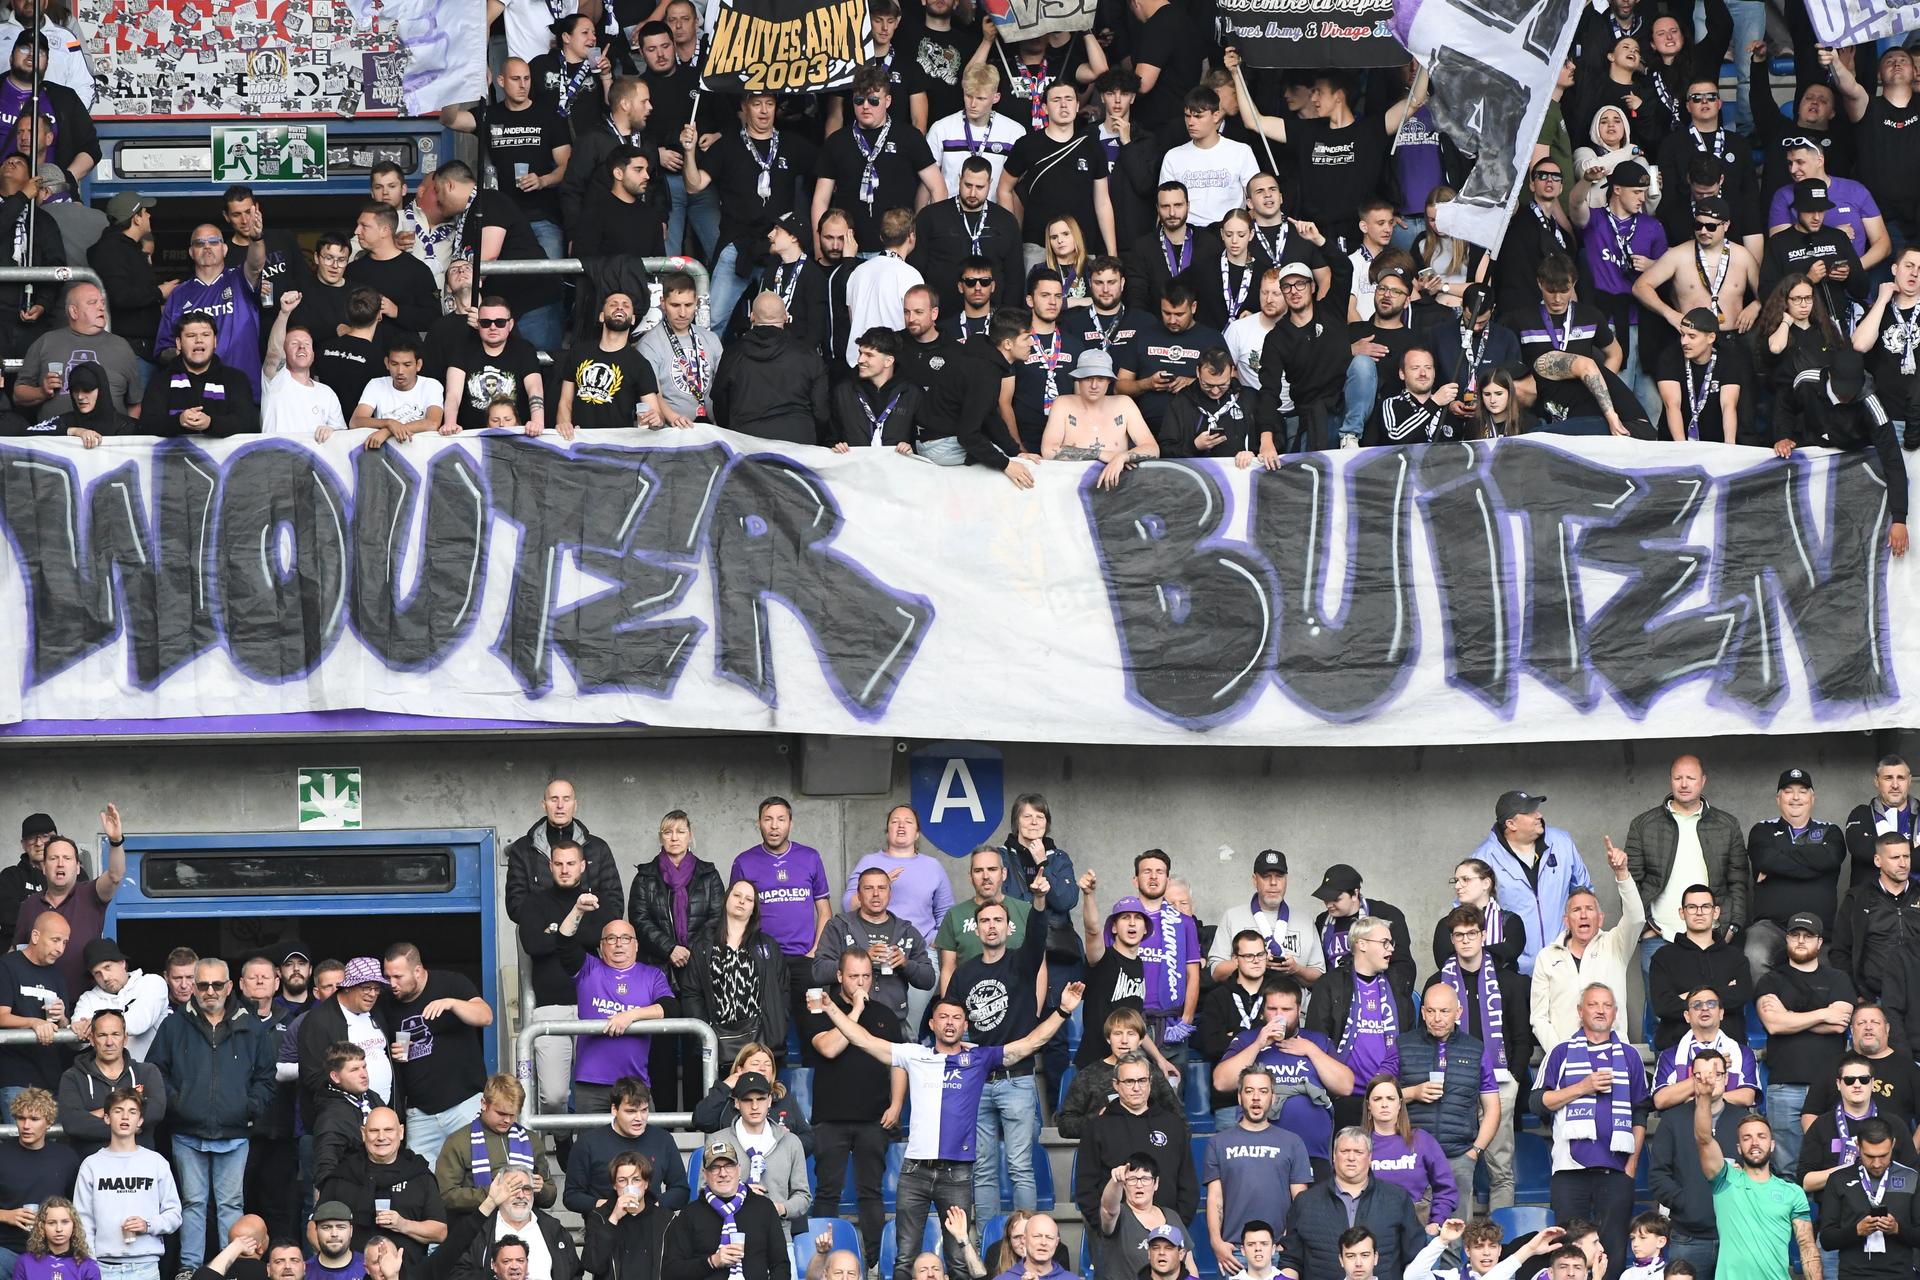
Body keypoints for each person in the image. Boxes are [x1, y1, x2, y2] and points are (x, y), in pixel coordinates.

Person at [820, 979, 1081, 1280]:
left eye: (957, 1017)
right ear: (931, 1023)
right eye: (943, 1016)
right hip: (914, 1171)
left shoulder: (979, 1059)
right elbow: (865, 1040)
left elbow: (1029, 1044)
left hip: (956, 1175)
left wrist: (1062, 1010)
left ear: (965, 1024)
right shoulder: (915, 1054)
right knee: (905, 1257)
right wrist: (832, 1011)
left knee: (958, 1259)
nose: (950, 1022)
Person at [146, 957, 274, 1277]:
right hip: (187, 1130)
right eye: (203, 985)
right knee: (193, 1203)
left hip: (234, 1131)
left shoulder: (251, 1025)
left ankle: (230, 1268)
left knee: (231, 1204)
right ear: (193, 987)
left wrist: (250, 1106)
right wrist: (178, 1103)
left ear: (230, 986)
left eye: (217, 984)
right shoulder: (174, 1024)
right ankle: (190, 1269)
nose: (210, 991)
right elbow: (156, 1071)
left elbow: (266, 1077)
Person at [1536, 984, 1650, 1270]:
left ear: (1615, 1013)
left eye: (1607, 1005)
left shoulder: (1630, 1056)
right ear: (1579, 1011)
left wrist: (1632, 1164)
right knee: (1568, 1250)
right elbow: (1537, 1102)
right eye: (1593, 1004)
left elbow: (1640, 1111)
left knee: (1612, 1249)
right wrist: (1582, 1087)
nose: (1600, 1010)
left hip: (1616, 1169)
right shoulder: (1560, 1053)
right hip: (1569, 1169)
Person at [801, 951, 903, 1270]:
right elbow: (829, 1048)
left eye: (866, 976)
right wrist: (856, 1010)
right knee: (827, 1192)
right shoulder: (821, 1008)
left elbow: (899, 1063)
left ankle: (873, 1264)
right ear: (839, 977)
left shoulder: (885, 1014)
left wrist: (897, 1104)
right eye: (854, 976)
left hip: (873, 1118)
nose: (860, 983)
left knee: (870, 1193)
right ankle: (821, 1263)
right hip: (830, 1119)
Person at [627, 813, 723, 1114]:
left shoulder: (709, 874)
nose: (674, 837)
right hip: (659, 971)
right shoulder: (645, 876)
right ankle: (665, 1120)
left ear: (690, 835)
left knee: (697, 1046)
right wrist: (670, 948)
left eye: (680, 831)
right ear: (660, 837)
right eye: (667, 832)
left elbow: (717, 918)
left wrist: (689, 951)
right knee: (662, 1052)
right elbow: (639, 920)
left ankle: (697, 1117)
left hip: (699, 972)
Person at [1692, 1071, 1820, 1280]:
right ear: (1739, 1148)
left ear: (1772, 1145)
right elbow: (1703, 1139)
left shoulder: (1792, 1192)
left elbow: (1807, 1246)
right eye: (1747, 1138)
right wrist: (1705, 1098)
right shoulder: (1725, 1180)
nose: (1754, 1143)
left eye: (1761, 1136)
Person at [1756, 912, 1856, 1180]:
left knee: (1835, 1168)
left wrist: (1790, 1016)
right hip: (1785, 1088)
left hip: (1830, 1091)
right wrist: (1823, 1013)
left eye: (1808, 936)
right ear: (1787, 938)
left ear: (1820, 942)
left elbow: (1840, 1024)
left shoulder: (1838, 978)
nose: (1801, 941)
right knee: (1787, 1172)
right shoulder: (1771, 980)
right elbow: (1774, 1024)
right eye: (1795, 935)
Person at [730, 798, 830, 1048]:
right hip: (763, 960)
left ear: (790, 823)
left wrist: (815, 951)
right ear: (759, 823)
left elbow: (824, 910)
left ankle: (810, 1087)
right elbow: (735, 914)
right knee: (769, 1033)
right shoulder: (744, 861)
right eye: (768, 819)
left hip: (805, 960)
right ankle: (768, 1087)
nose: (774, 826)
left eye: (781, 819)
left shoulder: (810, 857)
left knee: (814, 1030)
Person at [381, 943, 490, 1163]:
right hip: (419, 1113)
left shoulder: (451, 983)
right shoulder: (387, 1002)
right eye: (388, 977)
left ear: (418, 971)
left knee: (476, 1172)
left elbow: (485, 1016)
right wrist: (394, 1052)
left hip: (464, 1104)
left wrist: (451, 1003)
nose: (392, 984)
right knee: (421, 1181)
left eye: (398, 977)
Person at [1397, 980, 1500, 1215]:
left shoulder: (1476, 1049)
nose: (1437, 1018)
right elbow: (1377, 1096)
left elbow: (1492, 1108)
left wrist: (1474, 1152)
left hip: (1458, 1156)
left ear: (1458, 1012)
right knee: (1412, 1239)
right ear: (1422, 1012)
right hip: (1410, 1157)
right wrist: (1412, 1093)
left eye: (1444, 1011)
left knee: (1454, 1238)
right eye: (1431, 1011)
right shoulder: (1402, 1045)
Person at [1530, 840, 1641, 1048]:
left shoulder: (1615, 945)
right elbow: (1539, 1017)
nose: (1583, 915)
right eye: (1576, 910)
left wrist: (1622, 874)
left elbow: (1636, 918)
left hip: (1612, 1052)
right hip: (1566, 1057)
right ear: (1566, 921)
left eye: (1589, 909)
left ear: (1600, 918)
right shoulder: (1547, 957)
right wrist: (1560, 1054)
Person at [1470, 791, 1593, 978]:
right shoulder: (1483, 859)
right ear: (1511, 824)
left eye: (1536, 810)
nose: (1539, 815)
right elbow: (1468, 915)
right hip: (1515, 970)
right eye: (1529, 813)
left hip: (1566, 961)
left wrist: (1581, 944)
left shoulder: (1562, 843)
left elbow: (1584, 892)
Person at [1073, 1051, 1199, 1230]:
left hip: (1167, 1234)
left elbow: (1188, 1184)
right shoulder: (1097, 1127)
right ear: (1116, 1085)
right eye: (1129, 1081)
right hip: (1115, 1235)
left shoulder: (1173, 1125)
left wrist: (1176, 1226)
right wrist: (1106, 1226)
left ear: (1150, 1083)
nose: (1136, 1087)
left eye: (1142, 1081)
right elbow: (1085, 1186)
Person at [1199, 1070, 1311, 1272]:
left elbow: (1301, 1201)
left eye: (1263, 1091)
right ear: (1239, 1096)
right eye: (1249, 1091)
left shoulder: (1293, 1142)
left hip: (1278, 1250)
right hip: (1235, 1252)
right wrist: (1216, 1242)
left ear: (1273, 1097)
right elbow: (1215, 1199)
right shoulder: (1218, 1143)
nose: (1256, 1097)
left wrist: (1290, 1243)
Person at [562, 920, 677, 1115]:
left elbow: (671, 1008)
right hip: (592, 1083)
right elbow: (563, 942)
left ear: (636, 944)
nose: (618, 944)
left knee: (642, 1144)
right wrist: (579, 909)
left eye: (626, 938)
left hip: (635, 1082)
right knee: (593, 1144)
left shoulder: (652, 975)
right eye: (611, 938)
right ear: (601, 946)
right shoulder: (588, 968)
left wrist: (631, 1015)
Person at [1278, 1129, 1426, 1280]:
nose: (1351, 1157)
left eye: (1358, 1152)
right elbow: (1291, 1261)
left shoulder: (1397, 1199)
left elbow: (1415, 1258)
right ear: (1334, 1157)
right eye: (1345, 1151)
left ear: (1370, 1158)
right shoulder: (1306, 1201)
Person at [313, 1107, 448, 1269]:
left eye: (388, 1130)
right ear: (363, 1133)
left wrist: (403, 1224)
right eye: (374, 1131)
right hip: (352, 1274)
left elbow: (440, 1231)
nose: (381, 1137)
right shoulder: (343, 1174)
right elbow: (312, 1228)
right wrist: (338, 1264)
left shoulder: (419, 1174)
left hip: (407, 1273)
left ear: (401, 1132)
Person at [1646, 1050, 1738, 1279]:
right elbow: (1658, 1175)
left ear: (1726, 1078)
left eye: (1716, 1074)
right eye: (1701, 1075)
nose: (1708, 1080)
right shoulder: (1672, 1120)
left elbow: (1762, 1172)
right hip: (1688, 1237)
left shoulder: (1743, 1120)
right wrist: (1686, 1203)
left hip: (1736, 1237)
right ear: (1692, 1079)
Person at [74, 1089, 180, 1280]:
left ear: (140, 1121)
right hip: (103, 1267)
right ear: (106, 1118)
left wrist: (147, 1225)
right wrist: (90, 1264)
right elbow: (82, 1220)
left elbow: (174, 1214)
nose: (125, 1116)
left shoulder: (156, 1162)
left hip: (146, 1267)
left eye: (132, 1112)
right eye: (118, 1111)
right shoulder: (91, 1165)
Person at [681, 881, 787, 1069]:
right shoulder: (704, 945)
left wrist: (776, 1029)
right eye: (737, 895)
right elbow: (691, 993)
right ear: (726, 899)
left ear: (754, 908)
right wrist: (706, 1033)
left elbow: (783, 991)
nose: (741, 902)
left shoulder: (767, 946)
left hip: (760, 1041)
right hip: (716, 1039)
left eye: (748, 899)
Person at [815, 867, 935, 1027]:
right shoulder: (839, 927)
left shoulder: (906, 931)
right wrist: (862, 960)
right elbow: (818, 972)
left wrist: (906, 964)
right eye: (868, 888)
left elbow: (928, 979)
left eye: (882, 888)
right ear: (858, 895)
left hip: (894, 1021)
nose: (876, 894)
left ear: (890, 893)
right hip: (848, 1021)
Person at [152, 226, 264, 394]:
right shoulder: (179, 294)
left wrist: (256, 239)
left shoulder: (240, 279)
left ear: (224, 249)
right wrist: (187, 355)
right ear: (191, 252)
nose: (207, 247)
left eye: (214, 241)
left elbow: (255, 266)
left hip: (243, 388)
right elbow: (163, 350)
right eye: (199, 243)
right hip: (195, 394)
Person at [435, 1073, 559, 1224]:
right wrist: (492, 1194)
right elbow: (445, 1196)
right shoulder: (458, 1141)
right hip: (477, 1228)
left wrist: (541, 1189)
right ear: (483, 1104)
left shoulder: (531, 1139)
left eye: (513, 1115)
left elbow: (551, 1196)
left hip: (524, 1227)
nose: (507, 1120)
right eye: (501, 1113)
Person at [661, 1138, 789, 1280]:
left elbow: (780, 1265)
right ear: (705, 1174)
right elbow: (671, 1271)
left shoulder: (763, 1207)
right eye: (715, 1167)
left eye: (728, 1165)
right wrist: (712, 1261)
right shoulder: (689, 1215)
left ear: (739, 1169)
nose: (723, 1173)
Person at [711, 294, 831, 444]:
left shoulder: (733, 354)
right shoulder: (808, 355)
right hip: (799, 443)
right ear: (786, 316)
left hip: (747, 445)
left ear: (752, 316)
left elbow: (719, 401)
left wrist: (733, 432)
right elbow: (821, 412)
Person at [1647, 886, 1755, 1050]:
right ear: (1682, 913)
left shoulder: (1736, 957)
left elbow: (1741, 996)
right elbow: (1663, 1006)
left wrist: (1687, 997)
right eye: (1692, 907)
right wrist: (1721, 992)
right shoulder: (1663, 957)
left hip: (1728, 1050)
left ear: (1716, 912)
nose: (1699, 912)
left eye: (1705, 907)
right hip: (1676, 1048)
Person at [563, 1078, 689, 1215]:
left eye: (644, 1110)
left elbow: (681, 1190)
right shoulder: (588, 1143)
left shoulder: (663, 1140)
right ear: (614, 1109)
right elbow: (572, 1196)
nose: (639, 1118)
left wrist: (652, 1207)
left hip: (651, 1227)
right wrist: (611, 1206)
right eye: (631, 1111)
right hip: (604, 1227)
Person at [1816, 1115, 1920, 1280]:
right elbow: (1827, 1240)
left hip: (1900, 1274)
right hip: (1854, 1274)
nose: (1877, 1164)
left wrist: (1897, 1229)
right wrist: (1856, 1231)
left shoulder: (1912, 1177)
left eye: (1884, 1155)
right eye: (1870, 1156)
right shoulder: (1838, 1179)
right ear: (1858, 1146)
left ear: (1892, 1144)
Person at [14, 284, 140, 420]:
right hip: (57, 437)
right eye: (92, 303)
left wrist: (127, 435)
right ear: (74, 312)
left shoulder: (121, 346)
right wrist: (42, 392)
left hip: (107, 439)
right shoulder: (46, 342)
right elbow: (19, 394)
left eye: (102, 303)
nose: (101, 307)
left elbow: (135, 403)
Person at [57, 1009, 167, 1161]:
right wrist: (131, 1122)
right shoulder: (73, 1077)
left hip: (139, 1169)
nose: (109, 1042)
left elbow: (155, 1112)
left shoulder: (147, 1072)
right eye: (102, 1035)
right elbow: (74, 1123)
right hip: (92, 1170)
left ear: (125, 1038)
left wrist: (101, 1113)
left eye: (115, 1034)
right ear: (92, 1039)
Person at [1208, 849, 1325, 986]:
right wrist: (1256, 961)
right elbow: (1216, 972)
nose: (1273, 882)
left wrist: (1296, 969)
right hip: (1246, 1004)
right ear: (1254, 880)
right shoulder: (1233, 917)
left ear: (1286, 880)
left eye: (1279, 876)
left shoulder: (1305, 921)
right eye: (1266, 876)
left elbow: (1320, 977)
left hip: (1293, 1005)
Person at [1829, 832, 1920, 1003]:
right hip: (1875, 998)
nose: (1903, 864)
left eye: (1906, 856)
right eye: (1895, 857)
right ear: (1878, 861)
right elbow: (1840, 952)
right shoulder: (1857, 898)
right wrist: (1857, 994)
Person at [0, 1089, 78, 1278]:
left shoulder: (66, 1158)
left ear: (49, 1122)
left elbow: (77, 1208)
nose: (26, 1125)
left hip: (51, 1254)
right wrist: (6, 1215)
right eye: (21, 1118)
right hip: (5, 1250)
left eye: (34, 1119)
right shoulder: (2, 1155)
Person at [141, 313, 260, 437]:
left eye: (205, 335)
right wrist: (179, 421)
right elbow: (146, 425)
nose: (198, 340)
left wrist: (210, 423)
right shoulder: (160, 381)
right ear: (179, 343)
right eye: (191, 336)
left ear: (215, 341)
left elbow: (249, 424)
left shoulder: (236, 379)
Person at [1649, 980, 1760, 1113]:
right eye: (1697, 1005)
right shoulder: (1670, 1055)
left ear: (1721, 1013)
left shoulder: (1743, 1053)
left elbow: (1747, 1097)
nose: (1704, 1008)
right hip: (1684, 1126)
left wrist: (1695, 1101)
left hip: (1730, 1126)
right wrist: (1708, 1074)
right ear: (1687, 1016)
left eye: (1711, 1004)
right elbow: (1660, 1100)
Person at [0, 912, 69, 1104]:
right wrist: (33, 1022)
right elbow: (1, 1016)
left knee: (53, 1135)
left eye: (64, 942)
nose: (60, 949)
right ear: (36, 936)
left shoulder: (57, 975)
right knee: (24, 1134)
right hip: (16, 1076)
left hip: (52, 1077)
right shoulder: (7, 966)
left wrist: (62, 1017)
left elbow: (65, 1025)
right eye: (55, 940)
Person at [70, 938, 167, 1061]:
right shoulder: (88, 998)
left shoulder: (152, 982)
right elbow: (77, 1044)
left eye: (107, 967)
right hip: (108, 1077)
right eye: (97, 973)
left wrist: (95, 1024)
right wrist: (79, 1029)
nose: (105, 977)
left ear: (122, 963)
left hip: (152, 1073)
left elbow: (139, 1023)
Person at [582, 1150, 670, 1280]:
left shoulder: (666, 1219)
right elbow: (592, 1265)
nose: (629, 1186)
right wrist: (614, 1218)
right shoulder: (599, 1217)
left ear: (646, 1184)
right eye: (622, 1180)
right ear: (614, 1185)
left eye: (636, 1180)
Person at [1844, 759, 1920, 886]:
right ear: (1877, 781)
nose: (1895, 785)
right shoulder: (1861, 813)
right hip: (1871, 902)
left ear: (1909, 781)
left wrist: (1880, 849)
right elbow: (1861, 850)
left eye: (1901, 778)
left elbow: (1871, 852)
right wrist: (1913, 845)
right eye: (1888, 778)